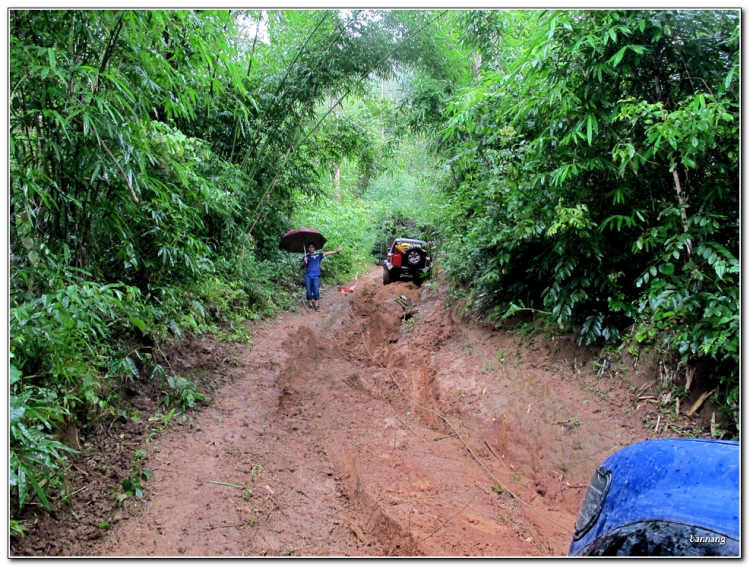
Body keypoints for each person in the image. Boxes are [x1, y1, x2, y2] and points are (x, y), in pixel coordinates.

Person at [303, 242, 342, 311]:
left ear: (314, 248)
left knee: (316, 290)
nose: (311, 248)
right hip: (308, 276)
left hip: (316, 275)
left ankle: (317, 306)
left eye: (312, 247)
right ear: (307, 249)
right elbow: (303, 266)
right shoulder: (306, 257)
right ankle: (310, 305)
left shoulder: (319, 255)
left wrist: (336, 251)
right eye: (309, 247)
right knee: (308, 290)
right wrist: (304, 261)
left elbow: (327, 253)